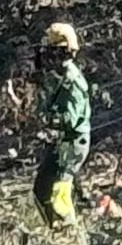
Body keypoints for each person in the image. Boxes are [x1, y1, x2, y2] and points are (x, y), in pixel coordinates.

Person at [31, 21, 94, 226]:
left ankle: (69, 236)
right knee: (41, 189)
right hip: (62, 143)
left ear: (62, 52)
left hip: (73, 143)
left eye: (51, 51)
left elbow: (70, 119)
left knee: (60, 194)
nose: (47, 56)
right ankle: (54, 229)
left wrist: (47, 122)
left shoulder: (72, 80)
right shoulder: (57, 77)